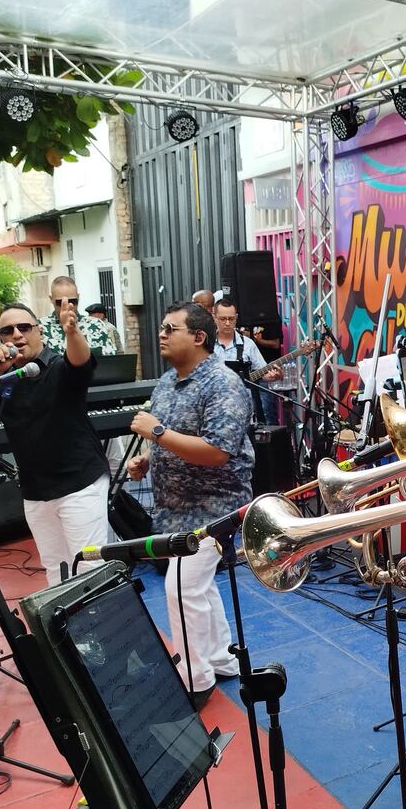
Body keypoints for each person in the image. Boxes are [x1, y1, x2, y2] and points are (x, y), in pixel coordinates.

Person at [127, 302, 252, 711]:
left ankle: (194, 678)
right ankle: (220, 658)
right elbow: (170, 439)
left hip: (215, 507)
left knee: (181, 587)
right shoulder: (167, 382)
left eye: (170, 328)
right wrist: (148, 457)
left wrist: (157, 432)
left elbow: (217, 452)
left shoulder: (223, 384)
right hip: (174, 507)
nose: (161, 333)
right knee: (197, 587)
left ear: (199, 337)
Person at [0, 302, 110, 587]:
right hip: (35, 490)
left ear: (39, 331)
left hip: (78, 483)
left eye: (24, 327)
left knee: (89, 567)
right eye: (8, 330)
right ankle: (65, 631)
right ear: (1, 338)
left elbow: (80, 361)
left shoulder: (56, 366)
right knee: (55, 569)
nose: (17, 334)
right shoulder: (7, 378)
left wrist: (72, 331)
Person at [213, 298, 279, 420]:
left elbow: (263, 371)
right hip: (213, 408)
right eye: (223, 319)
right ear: (214, 317)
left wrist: (273, 376)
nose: (227, 323)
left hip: (243, 411)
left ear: (236, 317)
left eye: (231, 319)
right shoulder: (206, 344)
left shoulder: (248, 344)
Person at [40, 276, 119, 356]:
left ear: (78, 297)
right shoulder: (40, 328)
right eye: (60, 302)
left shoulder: (96, 325)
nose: (68, 306)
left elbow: (110, 359)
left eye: (73, 301)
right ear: (51, 299)